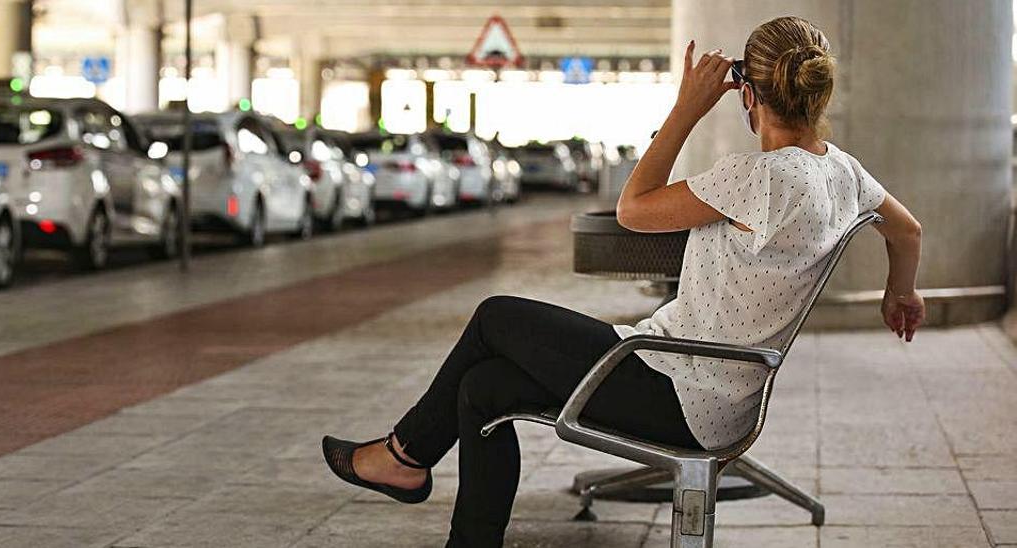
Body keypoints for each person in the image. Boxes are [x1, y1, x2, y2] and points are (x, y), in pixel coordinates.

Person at [322, 16, 924, 547]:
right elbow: (909, 232)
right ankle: (447, 516)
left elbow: (633, 210)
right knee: (484, 389)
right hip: (717, 392)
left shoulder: (758, 176)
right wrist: (903, 291)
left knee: (495, 316)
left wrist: (685, 108)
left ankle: (403, 456)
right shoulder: (841, 171)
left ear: (748, 95)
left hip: (676, 386)